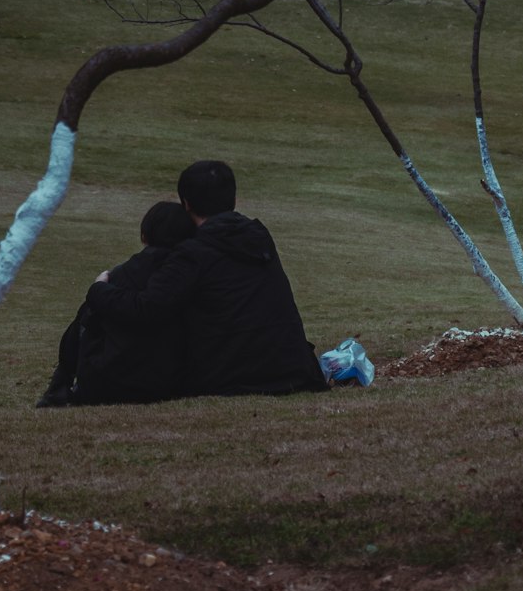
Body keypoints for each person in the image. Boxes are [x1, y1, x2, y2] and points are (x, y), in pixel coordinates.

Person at [84, 159, 328, 399]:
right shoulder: (258, 236)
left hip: (232, 377)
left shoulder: (193, 253)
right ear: (233, 200)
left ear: (186, 204)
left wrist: (99, 289)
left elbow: (147, 309)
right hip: (292, 368)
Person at [35, 200, 194, 408]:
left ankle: (60, 384)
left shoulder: (119, 277)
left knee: (86, 314)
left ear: (144, 236)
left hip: (108, 382)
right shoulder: (191, 275)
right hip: (169, 380)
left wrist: (99, 289)